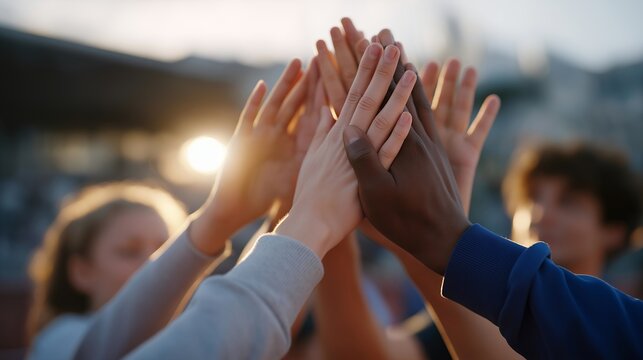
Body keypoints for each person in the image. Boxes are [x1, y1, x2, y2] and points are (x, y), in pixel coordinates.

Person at [342, 53, 643, 358]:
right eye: (532, 198)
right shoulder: (470, 306)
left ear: (614, 231)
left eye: (569, 203)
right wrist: (328, 231)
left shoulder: (621, 333)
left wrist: (435, 234)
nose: (541, 213)